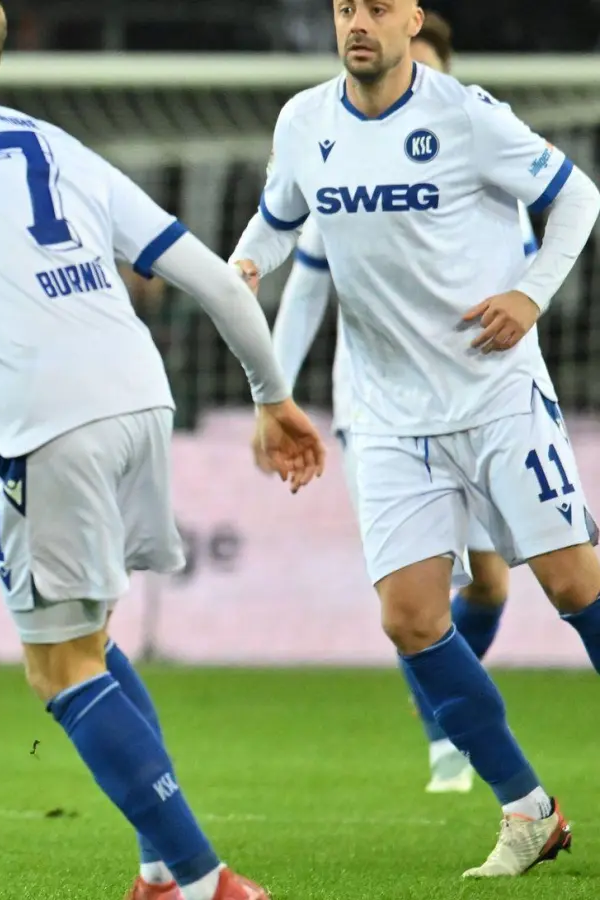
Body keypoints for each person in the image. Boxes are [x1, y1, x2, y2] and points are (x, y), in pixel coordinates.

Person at [0, 2, 325, 898]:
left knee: (58, 665)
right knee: (89, 639)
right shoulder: (56, 144)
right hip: (139, 394)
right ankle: (162, 871)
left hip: (45, 415)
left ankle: (209, 884)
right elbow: (210, 275)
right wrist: (273, 396)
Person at [231, 0, 600, 878]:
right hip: (391, 416)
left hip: (496, 394)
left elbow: (578, 196)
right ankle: (527, 810)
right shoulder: (303, 122)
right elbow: (279, 224)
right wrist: (241, 267)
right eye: (345, 7)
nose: (358, 21)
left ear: (413, 19)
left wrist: (534, 293)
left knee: (574, 582)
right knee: (409, 620)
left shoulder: (465, 115)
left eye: (378, 7)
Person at [270, 8, 527, 797]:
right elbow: (307, 278)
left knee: (490, 584)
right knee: (415, 592)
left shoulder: (478, 160)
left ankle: (449, 718)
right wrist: (272, 389)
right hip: (379, 407)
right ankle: (446, 740)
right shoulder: (343, 160)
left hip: (476, 399)